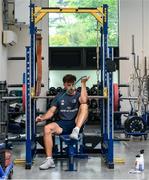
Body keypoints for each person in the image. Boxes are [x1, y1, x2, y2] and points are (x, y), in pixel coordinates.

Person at [36, 74, 89, 170]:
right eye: (68, 85)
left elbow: (84, 100)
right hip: (63, 124)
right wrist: (42, 118)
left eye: (72, 84)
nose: (71, 87)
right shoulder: (59, 96)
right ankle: (49, 160)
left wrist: (83, 84)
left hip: (76, 123)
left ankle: (76, 130)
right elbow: (51, 111)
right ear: (64, 85)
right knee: (47, 128)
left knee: (84, 105)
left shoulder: (78, 94)